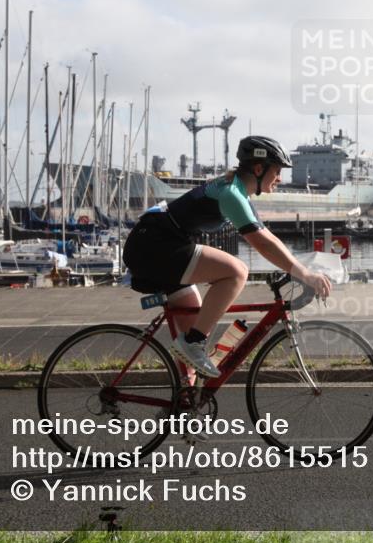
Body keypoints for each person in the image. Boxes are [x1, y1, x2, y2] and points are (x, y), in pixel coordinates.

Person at [123, 135, 332, 379]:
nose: (280, 178)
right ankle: (192, 345)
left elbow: (268, 237)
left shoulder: (237, 191)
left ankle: (183, 406)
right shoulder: (231, 193)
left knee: (196, 333)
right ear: (258, 168)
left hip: (159, 245)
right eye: (276, 171)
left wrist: (301, 266)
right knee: (236, 271)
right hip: (155, 247)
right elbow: (262, 244)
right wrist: (304, 274)